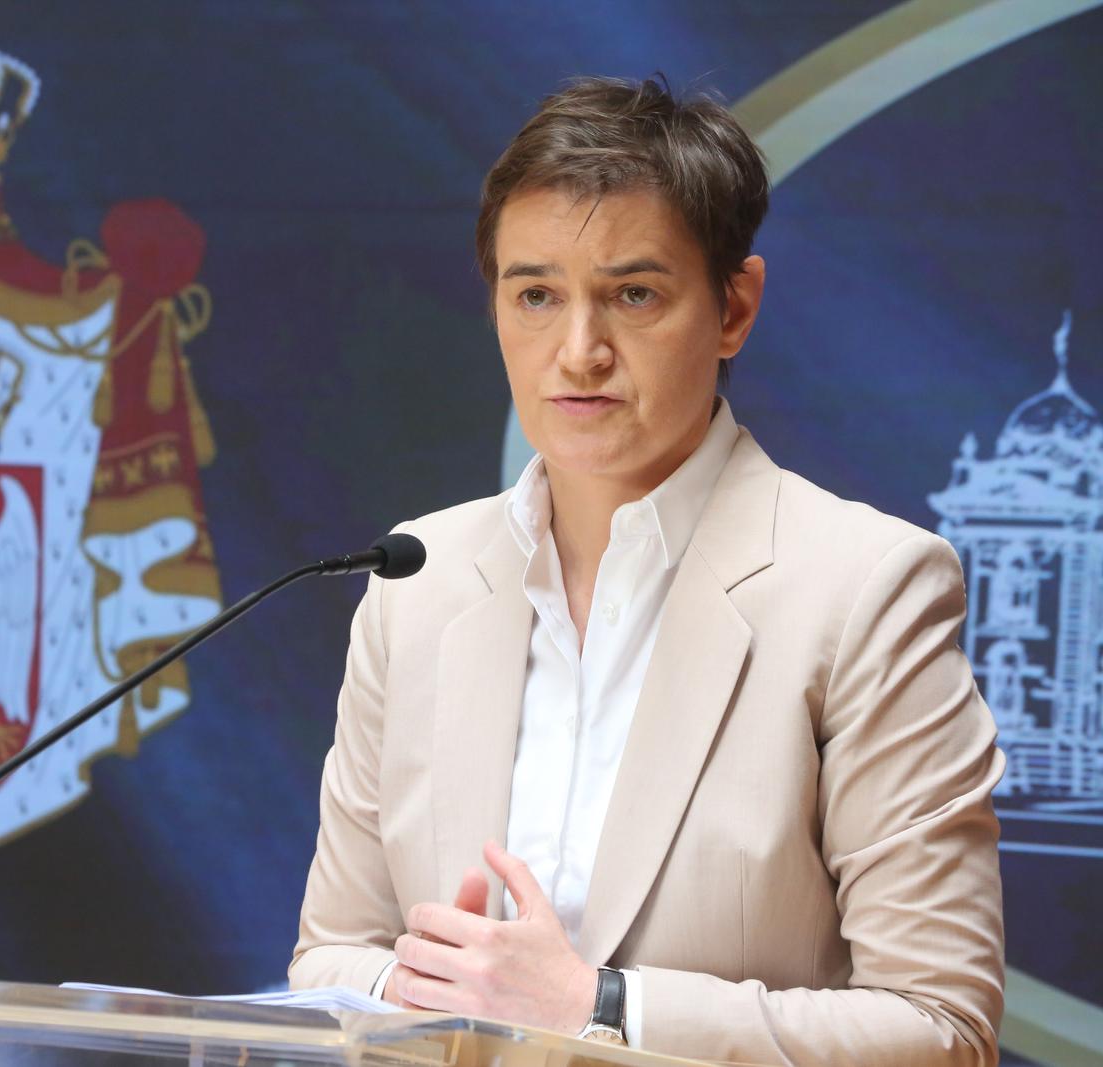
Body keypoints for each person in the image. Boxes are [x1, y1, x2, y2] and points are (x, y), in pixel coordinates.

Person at [289, 77, 1004, 1065]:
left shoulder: (866, 586)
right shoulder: (420, 576)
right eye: (535, 293)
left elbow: (941, 1027)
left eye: (632, 293)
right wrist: (436, 988)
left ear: (732, 307)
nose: (576, 351)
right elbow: (327, 955)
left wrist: (602, 1002)